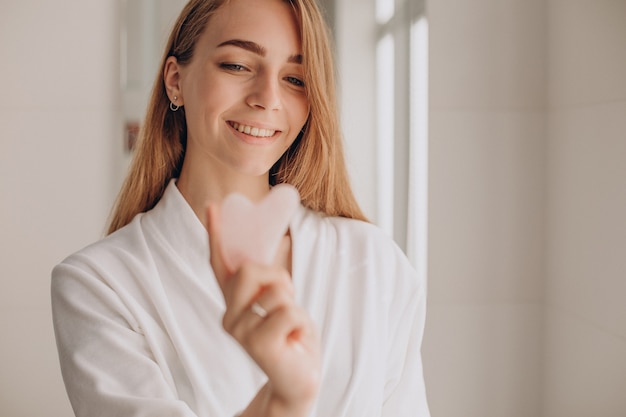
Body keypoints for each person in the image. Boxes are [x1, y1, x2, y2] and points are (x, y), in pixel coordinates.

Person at [51, 0, 430, 416]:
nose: (267, 98)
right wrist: (282, 401)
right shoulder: (98, 285)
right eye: (237, 65)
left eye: (294, 78)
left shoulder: (375, 265)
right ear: (175, 80)